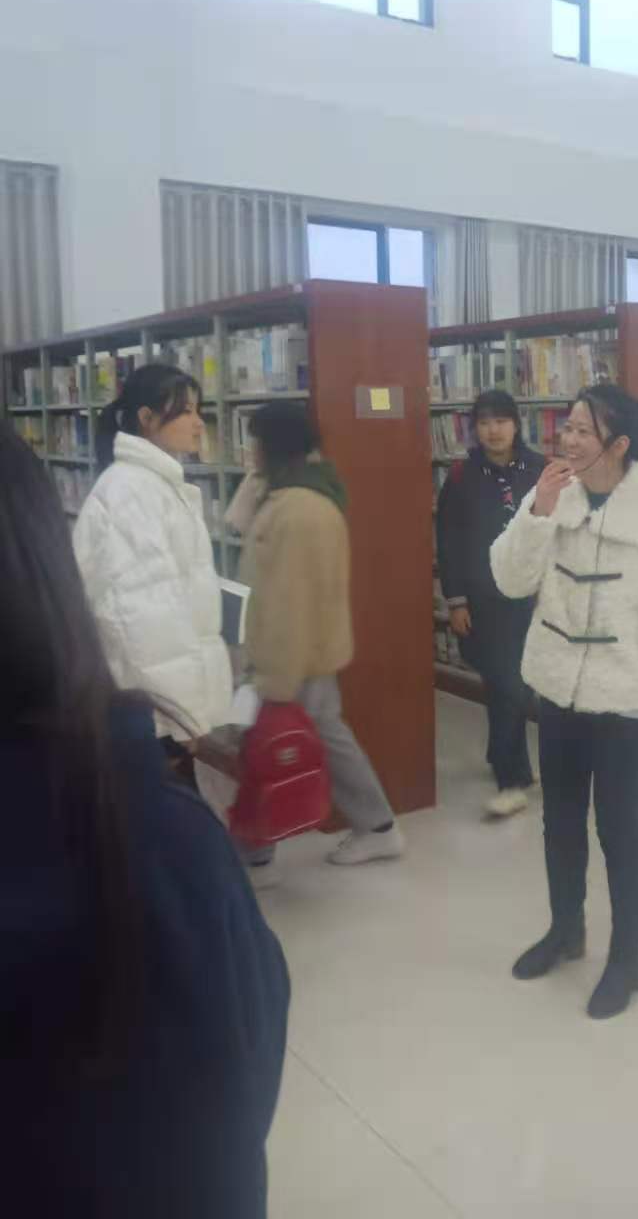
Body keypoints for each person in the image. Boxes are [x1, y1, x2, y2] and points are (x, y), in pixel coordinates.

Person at [0, 420, 289, 1217]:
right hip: (171, 682)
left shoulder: (150, 837)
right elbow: (241, 1067)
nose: (205, 426)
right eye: (191, 411)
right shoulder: (156, 841)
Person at [491, 384, 638, 1020]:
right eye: (568, 427)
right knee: (559, 821)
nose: (569, 439)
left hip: (624, 702)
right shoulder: (554, 494)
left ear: (618, 444)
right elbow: (510, 580)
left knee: (618, 830)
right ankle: (566, 930)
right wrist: (537, 514)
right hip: (559, 691)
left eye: (584, 430)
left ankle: (627, 958)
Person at [227, 401, 404, 881]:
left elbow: (289, 600)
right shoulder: (285, 492)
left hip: (289, 655)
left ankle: (257, 854)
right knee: (317, 735)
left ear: (274, 446)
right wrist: (256, 484)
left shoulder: (301, 509)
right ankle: (375, 826)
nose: (250, 451)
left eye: (255, 442)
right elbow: (237, 525)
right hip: (294, 652)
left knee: (266, 742)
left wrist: (272, 678)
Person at [73, 364, 234, 811]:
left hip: (165, 708)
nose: (199, 423)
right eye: (186, 412)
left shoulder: (156, 485)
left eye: (199, 411)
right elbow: (141, 620)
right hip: (157, 716)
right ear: (146, 418)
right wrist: (180, 718)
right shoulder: (130, 493)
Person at [436, 389, 546, 818]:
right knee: (506, 684)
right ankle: (509, 778)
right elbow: (449, 541)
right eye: (483, 423)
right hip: (485, 596)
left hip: (533, 596)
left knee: (517, 684)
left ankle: (507, 758)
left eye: (501, 421)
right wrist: (456, 600)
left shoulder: (539, 470)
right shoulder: (462, 477)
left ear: (516, 424)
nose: (493, 430)